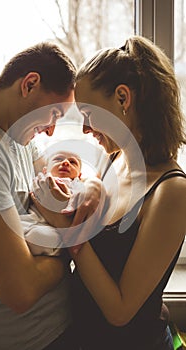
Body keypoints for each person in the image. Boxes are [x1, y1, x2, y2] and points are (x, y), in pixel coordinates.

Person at [0, 42, 81, 350]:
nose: (51, 132)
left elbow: (62, 207)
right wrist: (70, 247)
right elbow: (20, 291)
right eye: (53, 114)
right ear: (29, 84)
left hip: (63, 327)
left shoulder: (24, 143)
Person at [69, 35, 186, 350]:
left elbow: (120, 311)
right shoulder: (114, 159)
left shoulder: (171, 192)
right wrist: (88, 186)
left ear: (123, 98)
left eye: (89, 115)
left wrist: (70, 233)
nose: (84, 129)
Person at [0, 151, 83, 287]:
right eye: (58, 159)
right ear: (45, 169)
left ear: (79, 175)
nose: (65, 163)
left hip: (50, 227)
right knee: (7, 233)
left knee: (41, 237)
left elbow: (82, 201)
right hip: (30, 219)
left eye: (73, 162)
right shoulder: (41, 178)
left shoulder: (77, 186)